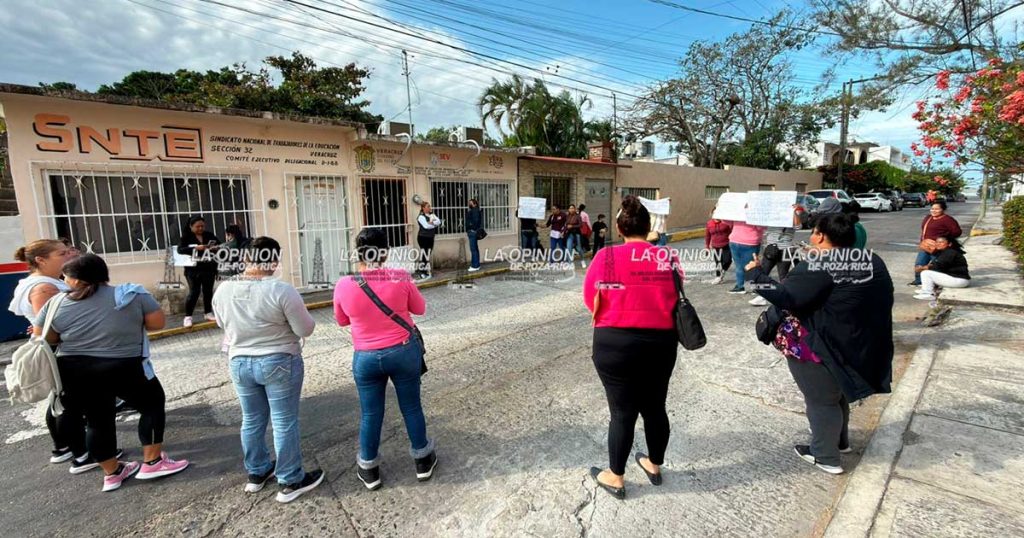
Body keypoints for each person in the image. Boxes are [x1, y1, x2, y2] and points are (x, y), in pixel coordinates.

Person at [745, 213, 894, 475]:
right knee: (836, 394)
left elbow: (787, 297)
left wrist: (755, 273)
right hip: (859, 341)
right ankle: (839, 443)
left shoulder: (821, 264)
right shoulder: (871, 259)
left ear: (821, 236)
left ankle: (825, 456)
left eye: (813, 231)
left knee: (821, 399)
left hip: (822, 343)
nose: (811, 236)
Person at [35, 254, 189, 492]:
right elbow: (157, 323)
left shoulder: (54, 304)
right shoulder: (132, 295)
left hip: (75, 371)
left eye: (66, 276)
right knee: (151, 405)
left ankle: (112, 473)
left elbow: (46, 338)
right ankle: (153, 462)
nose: (63, 280)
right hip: (124, 367)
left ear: (77, 279)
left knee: (97, 420)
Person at [582, 195, 682, 499]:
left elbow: (590, 300)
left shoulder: (606, 258)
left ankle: (616, 476)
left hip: (615, 344)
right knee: (655, 408)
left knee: (622, 412)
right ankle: (653, 464)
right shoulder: (669, 258)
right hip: (660, 343)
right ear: (649, 227)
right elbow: (676, 297)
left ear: (619, 227)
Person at [213, 236, 324, 503]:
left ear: (245, 259)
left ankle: (257, 473)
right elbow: (305, 328)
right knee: (284, 421)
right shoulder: (281, 290)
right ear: (273, 260)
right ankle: (290, 479)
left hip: (240, 362)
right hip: (278, 360)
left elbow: (221, 324)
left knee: (251, 419)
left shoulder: (223, 289)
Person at [334, 228, 436, 491]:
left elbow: (342, 320)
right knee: (411, 407)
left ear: (358, 252)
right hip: (403, 351)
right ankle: (423, 460)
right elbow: (420, 309)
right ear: (386, 252)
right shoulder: (400, 277)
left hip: (365, 357)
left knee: (370, 413)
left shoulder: (344, 284)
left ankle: (369, 470)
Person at [9, 239, 92, 469]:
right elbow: (52, 325)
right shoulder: (45, 287)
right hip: (61, 349)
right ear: (40, 260)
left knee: (60, 400)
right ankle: (82, 455)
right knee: (68, 403)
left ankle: (63, 447)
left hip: (58, 347)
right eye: (61, 253)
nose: (68, 256)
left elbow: (42, 321)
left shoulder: (43, 282)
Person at [749, 207, 800, 306]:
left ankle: (784, 298)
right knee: (763, 273)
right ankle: (762, 297)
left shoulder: (791, 216)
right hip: (770, 249)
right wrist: (751, 209)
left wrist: (793, 211)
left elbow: (798, 226)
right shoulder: (772, 216)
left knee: (783, 276)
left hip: (786, 250)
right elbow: (759, 223)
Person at [177, 216, 220, 327]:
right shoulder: (186, 237)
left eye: (202, 226)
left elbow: (220, 245)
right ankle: (188, 316)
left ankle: (208, 312)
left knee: (208, 291)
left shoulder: (209, 235)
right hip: (193, 270)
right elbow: (180, 250)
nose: (200, 228)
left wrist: (215, 248)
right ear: (191, 226)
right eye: (197, 226)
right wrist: (196, 248)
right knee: (194, 292)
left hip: (208, 267)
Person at [911, 201, 962, 286]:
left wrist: (943, 240)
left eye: (937, 209)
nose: (934, 211)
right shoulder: (928, 218)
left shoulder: (948, 220)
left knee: (936, 266)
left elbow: (957, 232)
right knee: (919, 263)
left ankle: (936, 283)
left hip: (938, 248)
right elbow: (924, 231)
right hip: (925, 246)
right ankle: (919, 281)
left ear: (943, 209)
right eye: (932, 209)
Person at [915, 235, 970, 300]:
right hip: (956, 279)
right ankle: (927, 289)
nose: (938, 244)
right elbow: (935, 264)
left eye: (941, 242)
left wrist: (922, 268)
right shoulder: (944, 252)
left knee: (926, 273)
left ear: (949, 244)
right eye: (937, 242)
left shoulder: (950, 253)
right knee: (929, 272)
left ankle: (928, 294)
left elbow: (938, 266)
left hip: (959, 280)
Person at [726, 219, 763, 294]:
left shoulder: (737, 209)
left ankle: (740, 286)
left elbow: (727, 222)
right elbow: (761, 227)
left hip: (734, 239)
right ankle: (755, 288)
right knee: (752, 266)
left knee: (739, 266)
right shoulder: (756, 212)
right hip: (750, 242)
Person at [416, 202, 442, 280]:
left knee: (428, 254)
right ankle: (422, 272)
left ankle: (425, 270)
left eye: (429, 206)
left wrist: (431, 223)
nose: (430, 207)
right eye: (428, 206)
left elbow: (439, 222)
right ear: (423, 208)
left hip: (430, 237)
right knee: (425, 254)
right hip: (423, 237)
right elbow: (426, 226)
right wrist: (433, 224)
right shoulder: (421, 217)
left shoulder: (432, 215)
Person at [704, 211, 732, 285]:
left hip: (727, 244)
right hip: (715, 246)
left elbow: (732, 232)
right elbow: (707, 236)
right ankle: (718, 277)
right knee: (718, 262)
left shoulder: (726, 222)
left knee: (727, 260)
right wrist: (707, 246)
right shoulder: (709, 223)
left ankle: (722, 271)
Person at [466, 198, 483, 272]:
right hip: (473, 232)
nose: (469, 204)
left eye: (471, 203)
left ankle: (475, 266)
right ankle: (476, 264)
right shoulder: (475, 210)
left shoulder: (475, 210)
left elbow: (476, 221)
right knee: (475, 249)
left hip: (473, 232)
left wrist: (472, 228)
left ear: (475, 204)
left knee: (473, 249)